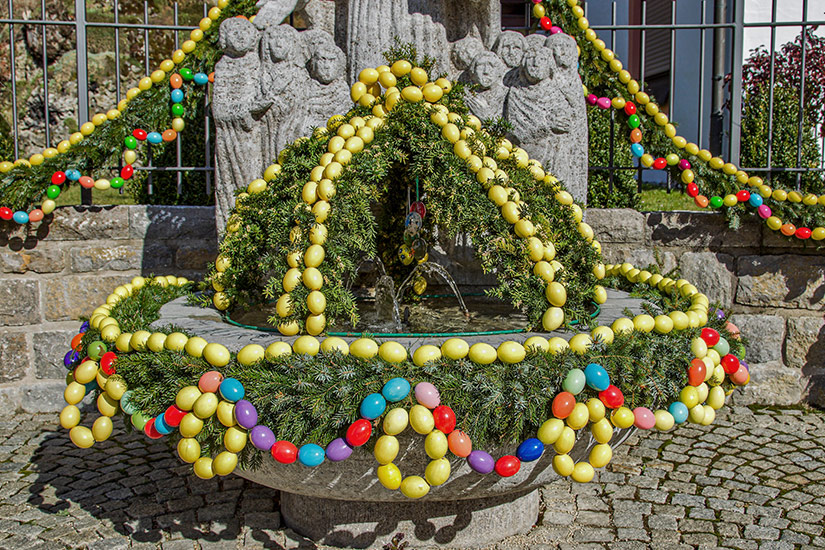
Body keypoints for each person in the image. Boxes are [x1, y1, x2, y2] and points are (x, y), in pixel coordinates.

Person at [213, 17, 263, 233]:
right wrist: (246, 110)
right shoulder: (223, 66)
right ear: (225, 39)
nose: (241, 36)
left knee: (253, 183)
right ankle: (230, 236)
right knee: (229, 187)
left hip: (252, 135)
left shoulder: (257, 64)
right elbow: (219, 109)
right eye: (234, 33)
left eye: (244, 31)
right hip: (229, 136)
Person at [505, 44, 574, 174]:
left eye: (541, 59)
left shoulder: (557, 93)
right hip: (526, 158)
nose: (535, 63)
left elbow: (568, 125)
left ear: (549, 66)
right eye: (531, 58)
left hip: (555, 158)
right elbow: (517, 130)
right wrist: (547, 125)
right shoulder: (517, 93)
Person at [255, 25, 307, 161]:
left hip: (292, 131)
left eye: (284, 39)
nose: (278, 43)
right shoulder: (261, 74)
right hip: (267, 134)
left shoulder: (299, 74)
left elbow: (302, 106)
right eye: (274, 39)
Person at [464, 50, 508, 122]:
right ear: (473, 71)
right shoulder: (465, 94)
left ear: (499, 71)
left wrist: (484, 115)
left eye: (491, 66)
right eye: (481, 66)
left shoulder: (505, 95)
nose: (486, 71)